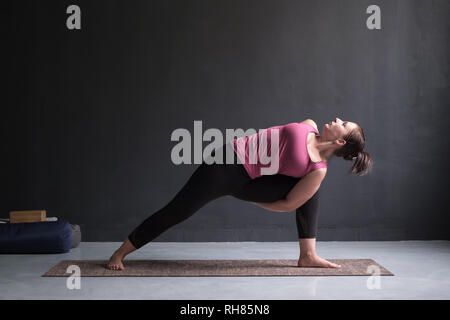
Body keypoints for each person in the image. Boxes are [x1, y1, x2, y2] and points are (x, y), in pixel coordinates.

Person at [107, 117, 373, 270]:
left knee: (311, 187)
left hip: (247, 181)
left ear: (341, 141)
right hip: (225, 162)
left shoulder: (317, 168)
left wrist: (251, 198)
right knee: (177, 211)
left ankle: (308, 255)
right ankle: (120, 252)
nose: (337, 118)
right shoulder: (310, 124)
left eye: (343, 123)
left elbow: (289, 204)